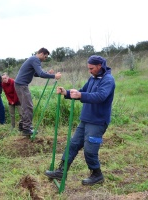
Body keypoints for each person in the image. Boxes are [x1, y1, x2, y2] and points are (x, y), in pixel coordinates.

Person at [45, 55, 115, 186]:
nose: (89, 70)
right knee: (73, 145)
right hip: (86, 119)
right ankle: (62, 171)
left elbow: (101, 96)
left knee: (89, 150)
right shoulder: (92, 78)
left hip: (98, 122)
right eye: (88, 68)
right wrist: (66, 93)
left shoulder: (108, 80)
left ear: (100, 66)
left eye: (91, 68)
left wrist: (81, 95)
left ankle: (97, 174)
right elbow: (81, 92)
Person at [14, 47, 61, 136]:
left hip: (20, 84)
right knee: (28, 106)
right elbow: (41, 74)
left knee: (26, 105)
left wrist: (48, 73)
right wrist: (54, 76)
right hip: (21, 85)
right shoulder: (35, 59)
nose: (45, 59)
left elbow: (35, 73)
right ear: (41, 54)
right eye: (45, 57)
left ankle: (23, 125)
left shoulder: (33, 59)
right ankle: (26, 129)